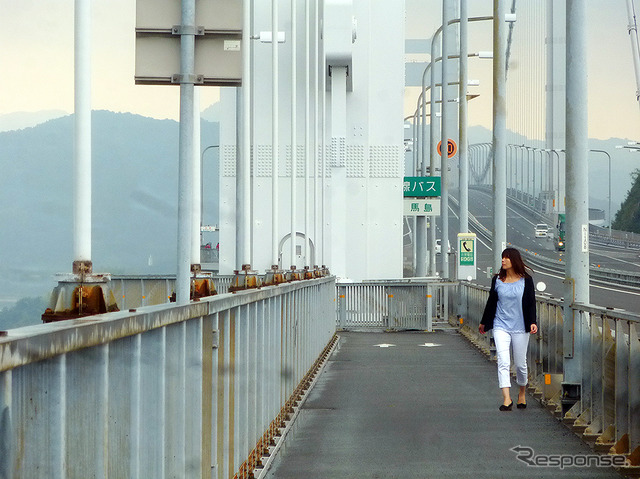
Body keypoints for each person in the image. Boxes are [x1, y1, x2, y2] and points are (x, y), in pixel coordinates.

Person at [479, 247, 538, 411]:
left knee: (520, 364)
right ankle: (506, 399)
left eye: (506, 258)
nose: (503, 260)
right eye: (502, 257)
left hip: (520, 326)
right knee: (503, 362)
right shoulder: (497, 279)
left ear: (514, 260)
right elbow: (491, 302)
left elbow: (531, 302)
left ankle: (521, 393)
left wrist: (533, 321)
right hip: (500, 325)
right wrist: (484, 322)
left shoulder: (526, 280)